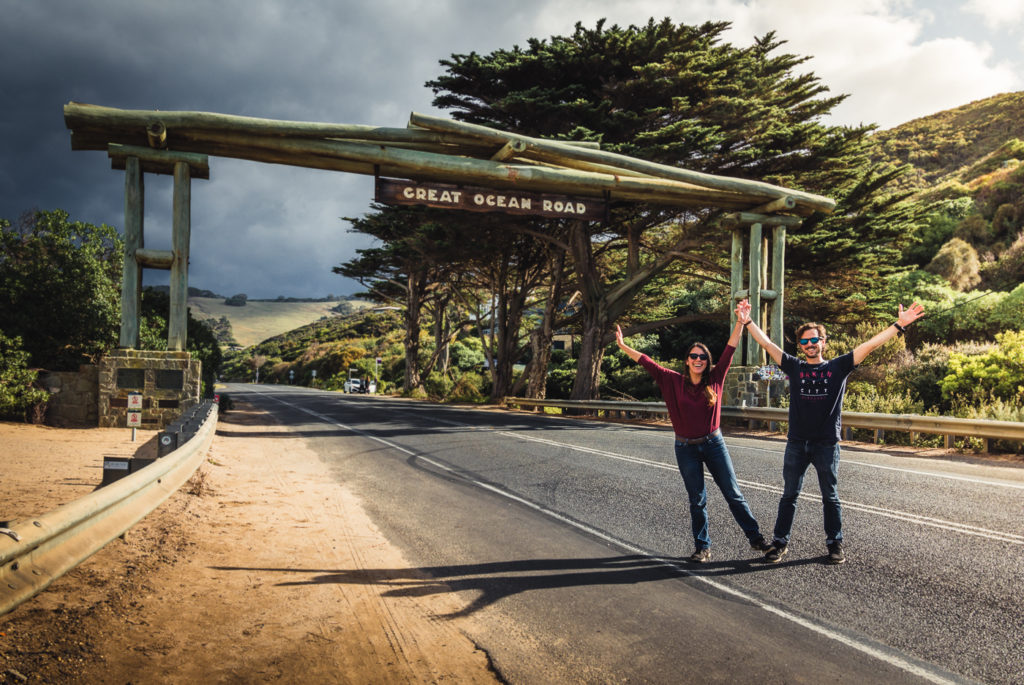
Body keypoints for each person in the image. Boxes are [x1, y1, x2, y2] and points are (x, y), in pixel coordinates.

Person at [736, 298, 925, 565]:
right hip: (797, 443)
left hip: (827, 444)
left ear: (824, 342)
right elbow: (767, 344)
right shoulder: (794, 366)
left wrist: (899, 325)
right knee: (789, 495)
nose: (810, 345)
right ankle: (779, 544)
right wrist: (747, 322)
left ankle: (835, 545)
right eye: (804, 342)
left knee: (831, 497)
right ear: (800, 346)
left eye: (815, 340)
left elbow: (869, 345)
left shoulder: (838, 367)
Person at [615, 320, 770, 563]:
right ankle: (702, 548)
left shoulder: (716, 378)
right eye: (693, 356)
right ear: (687, 360)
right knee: (697, 500)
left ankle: (756, 539)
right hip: (685, 447)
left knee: (733, 493)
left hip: (714, 444)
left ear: (708, 362)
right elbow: (646, 361)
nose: (698, 360)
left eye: (703, 357)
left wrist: (741, 322)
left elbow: (730, 348)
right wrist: (623, 346)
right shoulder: (672, 380)